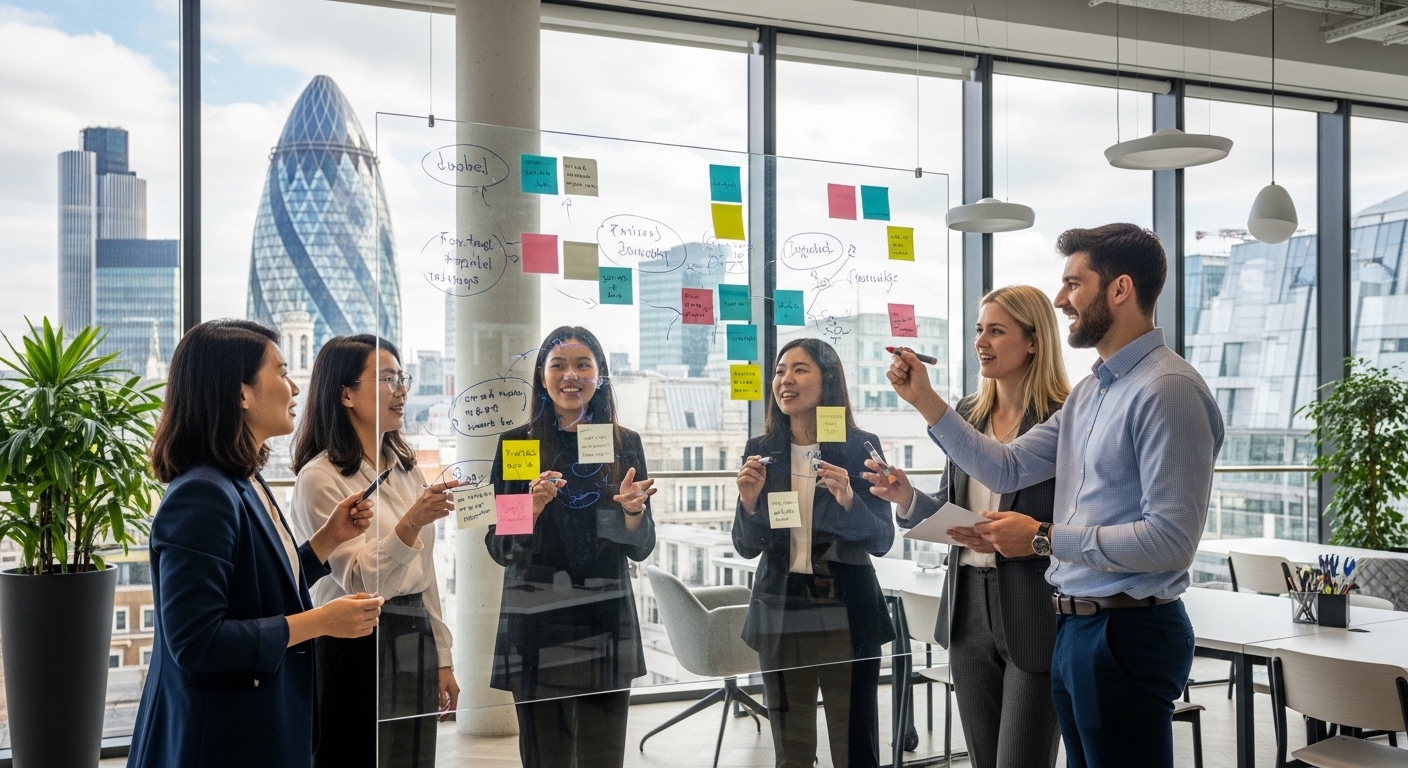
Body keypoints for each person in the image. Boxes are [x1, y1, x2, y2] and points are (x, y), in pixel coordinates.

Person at [886, 224, 1224, 768]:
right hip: (1075, 626)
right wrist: (927, 402)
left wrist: (1042, 537)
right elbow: (1009, 463)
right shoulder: (1093, 392)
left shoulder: (1168, 390)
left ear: (1119, 290)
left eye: (1073, 283)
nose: (1061, 299)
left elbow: (1170, 541)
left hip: (1128, 629)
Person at [130, 319, 384, 768]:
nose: (294, 388)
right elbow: (197, 640)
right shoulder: (203, 494)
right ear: (241, 393)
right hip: (221, 739)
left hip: (251, 725)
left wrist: (327, 540)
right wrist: (320, 621)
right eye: (282, 373)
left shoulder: (243, 478)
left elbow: (257, 587)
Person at [865, 285, 1068, 768]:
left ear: (1034, 341)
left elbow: (1077, 521)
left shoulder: (1065, 417)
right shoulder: (967, 415)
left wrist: (1033, 537)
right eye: (979, 330)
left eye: (996, 331)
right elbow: (953, 508)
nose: (982, 341)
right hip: (967, 608)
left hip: (1034, 608)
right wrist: (908, 498)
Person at [485, 326, 656, 768]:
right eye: (558, 365)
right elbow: (501, 547)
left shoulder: (624, 444)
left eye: (583, 365)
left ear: (600, 376)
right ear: (542, 377)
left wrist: (634, 514)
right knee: (546, 758)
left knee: (603, 756)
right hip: (538, 623)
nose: (571, 375)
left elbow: (640, 547)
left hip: (605, 616)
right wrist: (531, 508)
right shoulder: (516, 444)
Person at [289, 335, 459, 768]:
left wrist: (442, 656)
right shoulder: (320, 478)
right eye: (387, 379)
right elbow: (361, 581)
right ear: (345, 393)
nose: (401, 390)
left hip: (413, 631)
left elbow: (427, 572)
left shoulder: (405, 468)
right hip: (352, 640)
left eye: (402, 378)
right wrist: (411, 523)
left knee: (413, 756)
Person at [733, 337, 896, 768]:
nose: (785, 379)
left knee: (855, 748)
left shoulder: (861, 445)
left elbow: (882, 540)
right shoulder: (761, 450)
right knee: (792, 750)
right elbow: (745, 547)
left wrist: (849, 501)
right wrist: (749, 504)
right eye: (779, 370)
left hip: (846, 612)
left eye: (799, 369)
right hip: (782, 611)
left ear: (828, 380)